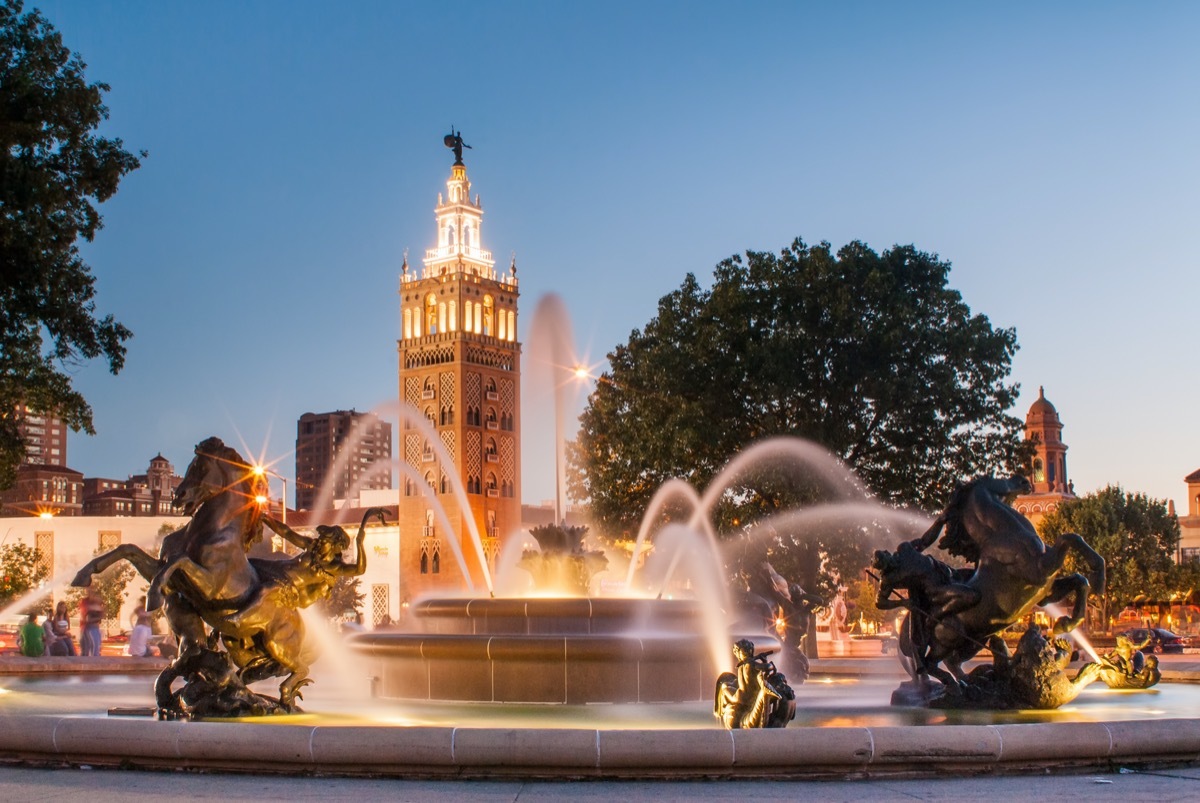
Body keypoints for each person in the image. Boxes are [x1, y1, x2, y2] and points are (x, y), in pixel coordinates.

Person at [80, 590, 105, 656]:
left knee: (96, 646)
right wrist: (99, 617)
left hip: (95, 628)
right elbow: (88, 619)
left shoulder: (98, 608)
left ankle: (94, 659)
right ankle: (93, 661)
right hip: (90, 629)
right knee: (93, 646)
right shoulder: (91, 607)